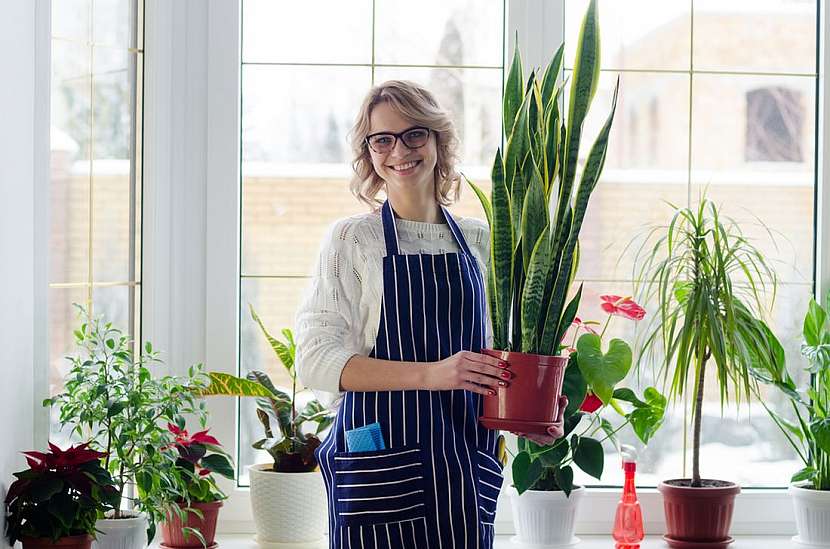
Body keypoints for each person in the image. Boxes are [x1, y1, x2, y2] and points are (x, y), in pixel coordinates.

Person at [294, 80, 567, 549]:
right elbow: (315, 361)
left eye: (414, 134)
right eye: (382, 139)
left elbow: (499, 356)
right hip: (381, 456)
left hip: (462, 461)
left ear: (439, 141)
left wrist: (531, 413)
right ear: (370, 153)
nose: (399, 150)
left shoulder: (482, 239)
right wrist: (433, 374)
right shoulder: (352, 240)